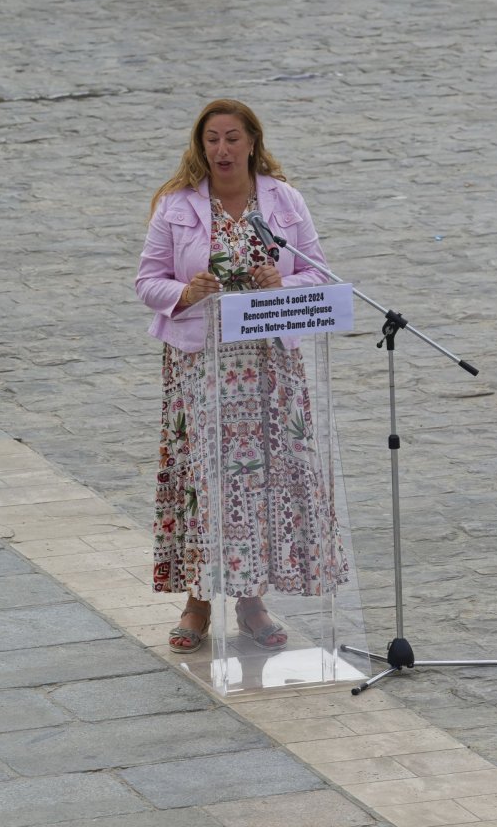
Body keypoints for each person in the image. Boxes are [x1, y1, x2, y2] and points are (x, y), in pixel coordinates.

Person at [136, 99, 348, 654]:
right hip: (200, 367)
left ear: (252, 142)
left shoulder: (284, 200)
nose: (222, 150)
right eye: (212, 140)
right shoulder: (176, 206)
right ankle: (197, 603)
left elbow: (320, 276)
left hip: (268, 366)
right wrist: (185, 292)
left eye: (232, 138)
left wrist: (282, 285)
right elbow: (146, 282)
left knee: (260, 481)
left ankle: (252, 601)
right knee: (206, 481)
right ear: (200, 145)